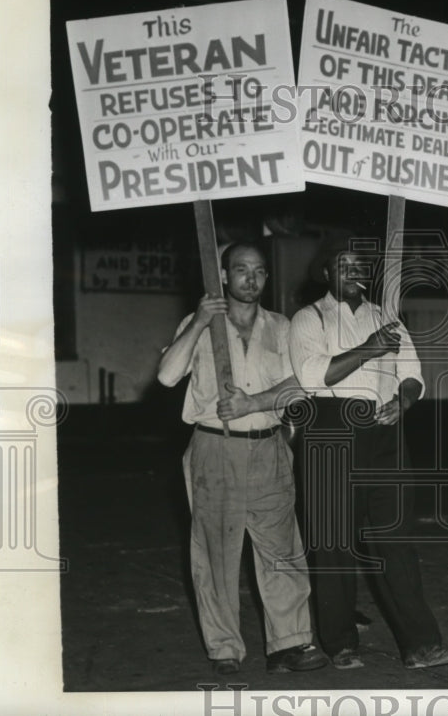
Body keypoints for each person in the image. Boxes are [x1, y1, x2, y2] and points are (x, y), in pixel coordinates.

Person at [287, 236, 448, 671]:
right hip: (331, 431)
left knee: (395, 540)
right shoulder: (308, 319)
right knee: (333, 544)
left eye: (359, 264)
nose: (353, 271)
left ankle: (420, 644)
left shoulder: (387, 317)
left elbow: (413, 374)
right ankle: (340, 643)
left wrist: (402, 400)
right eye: (343, 264)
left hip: (384, 434)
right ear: (326, 273)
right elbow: (313, 377)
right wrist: (370, 348)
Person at [157, 242, 327, 675]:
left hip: (268, 446)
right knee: (216, 551)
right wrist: (199, 320)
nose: (251, 279)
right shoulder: (200, 324)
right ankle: (225, 647)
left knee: (281, 548)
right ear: (224, 276)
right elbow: (166, 375)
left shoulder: (284, 327)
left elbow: (301, 384)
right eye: (241, 270)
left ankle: (289, 644)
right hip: (215, 448)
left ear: (266, 278)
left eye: (259, 271)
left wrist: (255, 403)